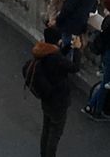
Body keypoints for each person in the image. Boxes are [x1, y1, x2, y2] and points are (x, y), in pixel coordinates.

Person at [29, 25, 81, 156]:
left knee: (46, 129)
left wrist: (68, 47)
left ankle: (43, 153)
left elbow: (58, 55)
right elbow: (74, 67)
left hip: (46, 98)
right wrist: (78, 50)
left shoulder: (42, 53)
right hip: (58, 101)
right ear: (57, 41)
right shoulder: (56, 59)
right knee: (55, 133)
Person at [82, 0, 110, 119]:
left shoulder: (107, 21)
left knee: (105, 82)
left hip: (106, 54)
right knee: (105, 84)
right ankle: (93, 108)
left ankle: (93, 106)